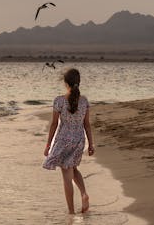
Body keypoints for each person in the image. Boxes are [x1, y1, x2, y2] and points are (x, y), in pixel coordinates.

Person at [43, 68, 95, 214]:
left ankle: (71, 213)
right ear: (78, 82)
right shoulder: (84, 101)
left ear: (66, 83)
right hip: (79, 140)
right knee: (73, 168)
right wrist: (91, 144)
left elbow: (54, 124)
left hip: (63, 141)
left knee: (66, 177)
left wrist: (48, 145)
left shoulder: (59, 101)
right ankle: (84, 194)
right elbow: (87, 124)